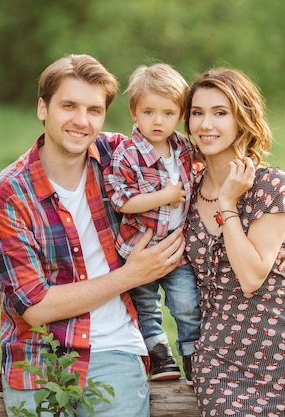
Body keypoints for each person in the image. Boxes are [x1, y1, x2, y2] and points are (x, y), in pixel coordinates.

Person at [0, 54, 186, 417]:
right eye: (69, 106)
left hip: (116, 351)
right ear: (42, 108)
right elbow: (35, 308)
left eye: (94, 109)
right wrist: (130, 276)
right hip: (37, 359)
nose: (81, 121)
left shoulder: (120, 156)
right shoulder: (8, 193)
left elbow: (196, 162)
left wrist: (276, 213)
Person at [182, 68, 285, 416]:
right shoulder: (184, 188)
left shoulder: (270, 185)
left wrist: (229, 204)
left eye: (220, 113)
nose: (205, 124)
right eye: (197, 113)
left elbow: (251, 277)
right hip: (216, 360)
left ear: (241, 118)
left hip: (284, 356)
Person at [103, 63, 200, 384]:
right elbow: (122, 201)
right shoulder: (126, 155)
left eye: (168, 113)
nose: (158, 121)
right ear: (134, 112)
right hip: (138, 249)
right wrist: (166, 195)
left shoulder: (183, 148)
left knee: (187, 303)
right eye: (148, 112)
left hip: (176, 248)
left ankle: (193, 356)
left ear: (180, 115)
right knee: (146, 306)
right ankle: (160, 358)